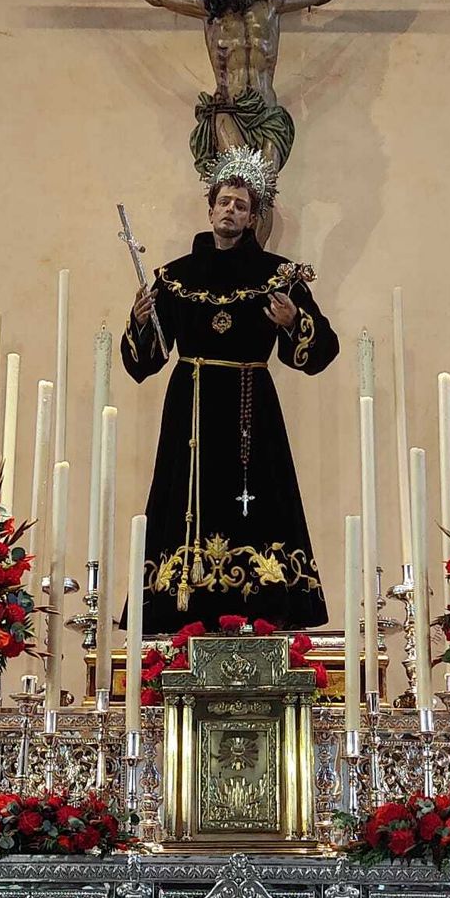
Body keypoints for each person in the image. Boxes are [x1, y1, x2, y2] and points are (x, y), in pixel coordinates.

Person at [122, 147, 339, 633]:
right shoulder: (174, 278)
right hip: (191, 408)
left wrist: (293, 321)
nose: (231, 211)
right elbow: (146, 359)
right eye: (224, 201)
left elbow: (321, 349)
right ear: (211, 207)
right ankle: (183, 608)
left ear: (253, 217)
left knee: (258, 501)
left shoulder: (279, 276)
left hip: (250, 408)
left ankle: (260, 608)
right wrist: (139, 324)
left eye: (242, 205)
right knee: (183, 499)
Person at [96, 0, 387, 241]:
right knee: (240, 182)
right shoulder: (210, 12)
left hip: (266, 114)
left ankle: (255, 269)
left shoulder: (272, 5)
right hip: (229, 111)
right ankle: (234, 265)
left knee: (264, 191)